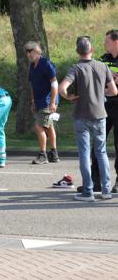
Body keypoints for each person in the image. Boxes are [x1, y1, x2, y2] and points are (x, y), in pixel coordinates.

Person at [59, 36, 118, 202]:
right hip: (100, 115)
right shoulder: (102, 66)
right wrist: (100, 94)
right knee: (102, 152)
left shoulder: (75, 68)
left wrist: (69, 97)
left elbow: (62, 87)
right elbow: (114, 91)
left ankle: (88, 191)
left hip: (81, 115)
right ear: (91, 50)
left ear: (78, 51)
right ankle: (106, 190)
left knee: (85, 154)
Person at [80, 29, 118, 193]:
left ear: (116, 42)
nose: (104, 44)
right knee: (97, 144)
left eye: (107, 41)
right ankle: (96, 181)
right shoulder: (104, 59)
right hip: (104, 106)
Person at [25, 41, 60, 165]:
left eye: (31, 51)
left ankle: (43, 155)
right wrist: (33, 101)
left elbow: (54, 84)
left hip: (48, 101)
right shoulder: (32, 66)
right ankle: (54, 154)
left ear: (37, 51)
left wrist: (52, 103)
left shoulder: (46, 64)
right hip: (39, 101)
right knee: (49, 126)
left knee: (39, 126)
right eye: (27, 51)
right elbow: (32, 85)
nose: (29, 54)